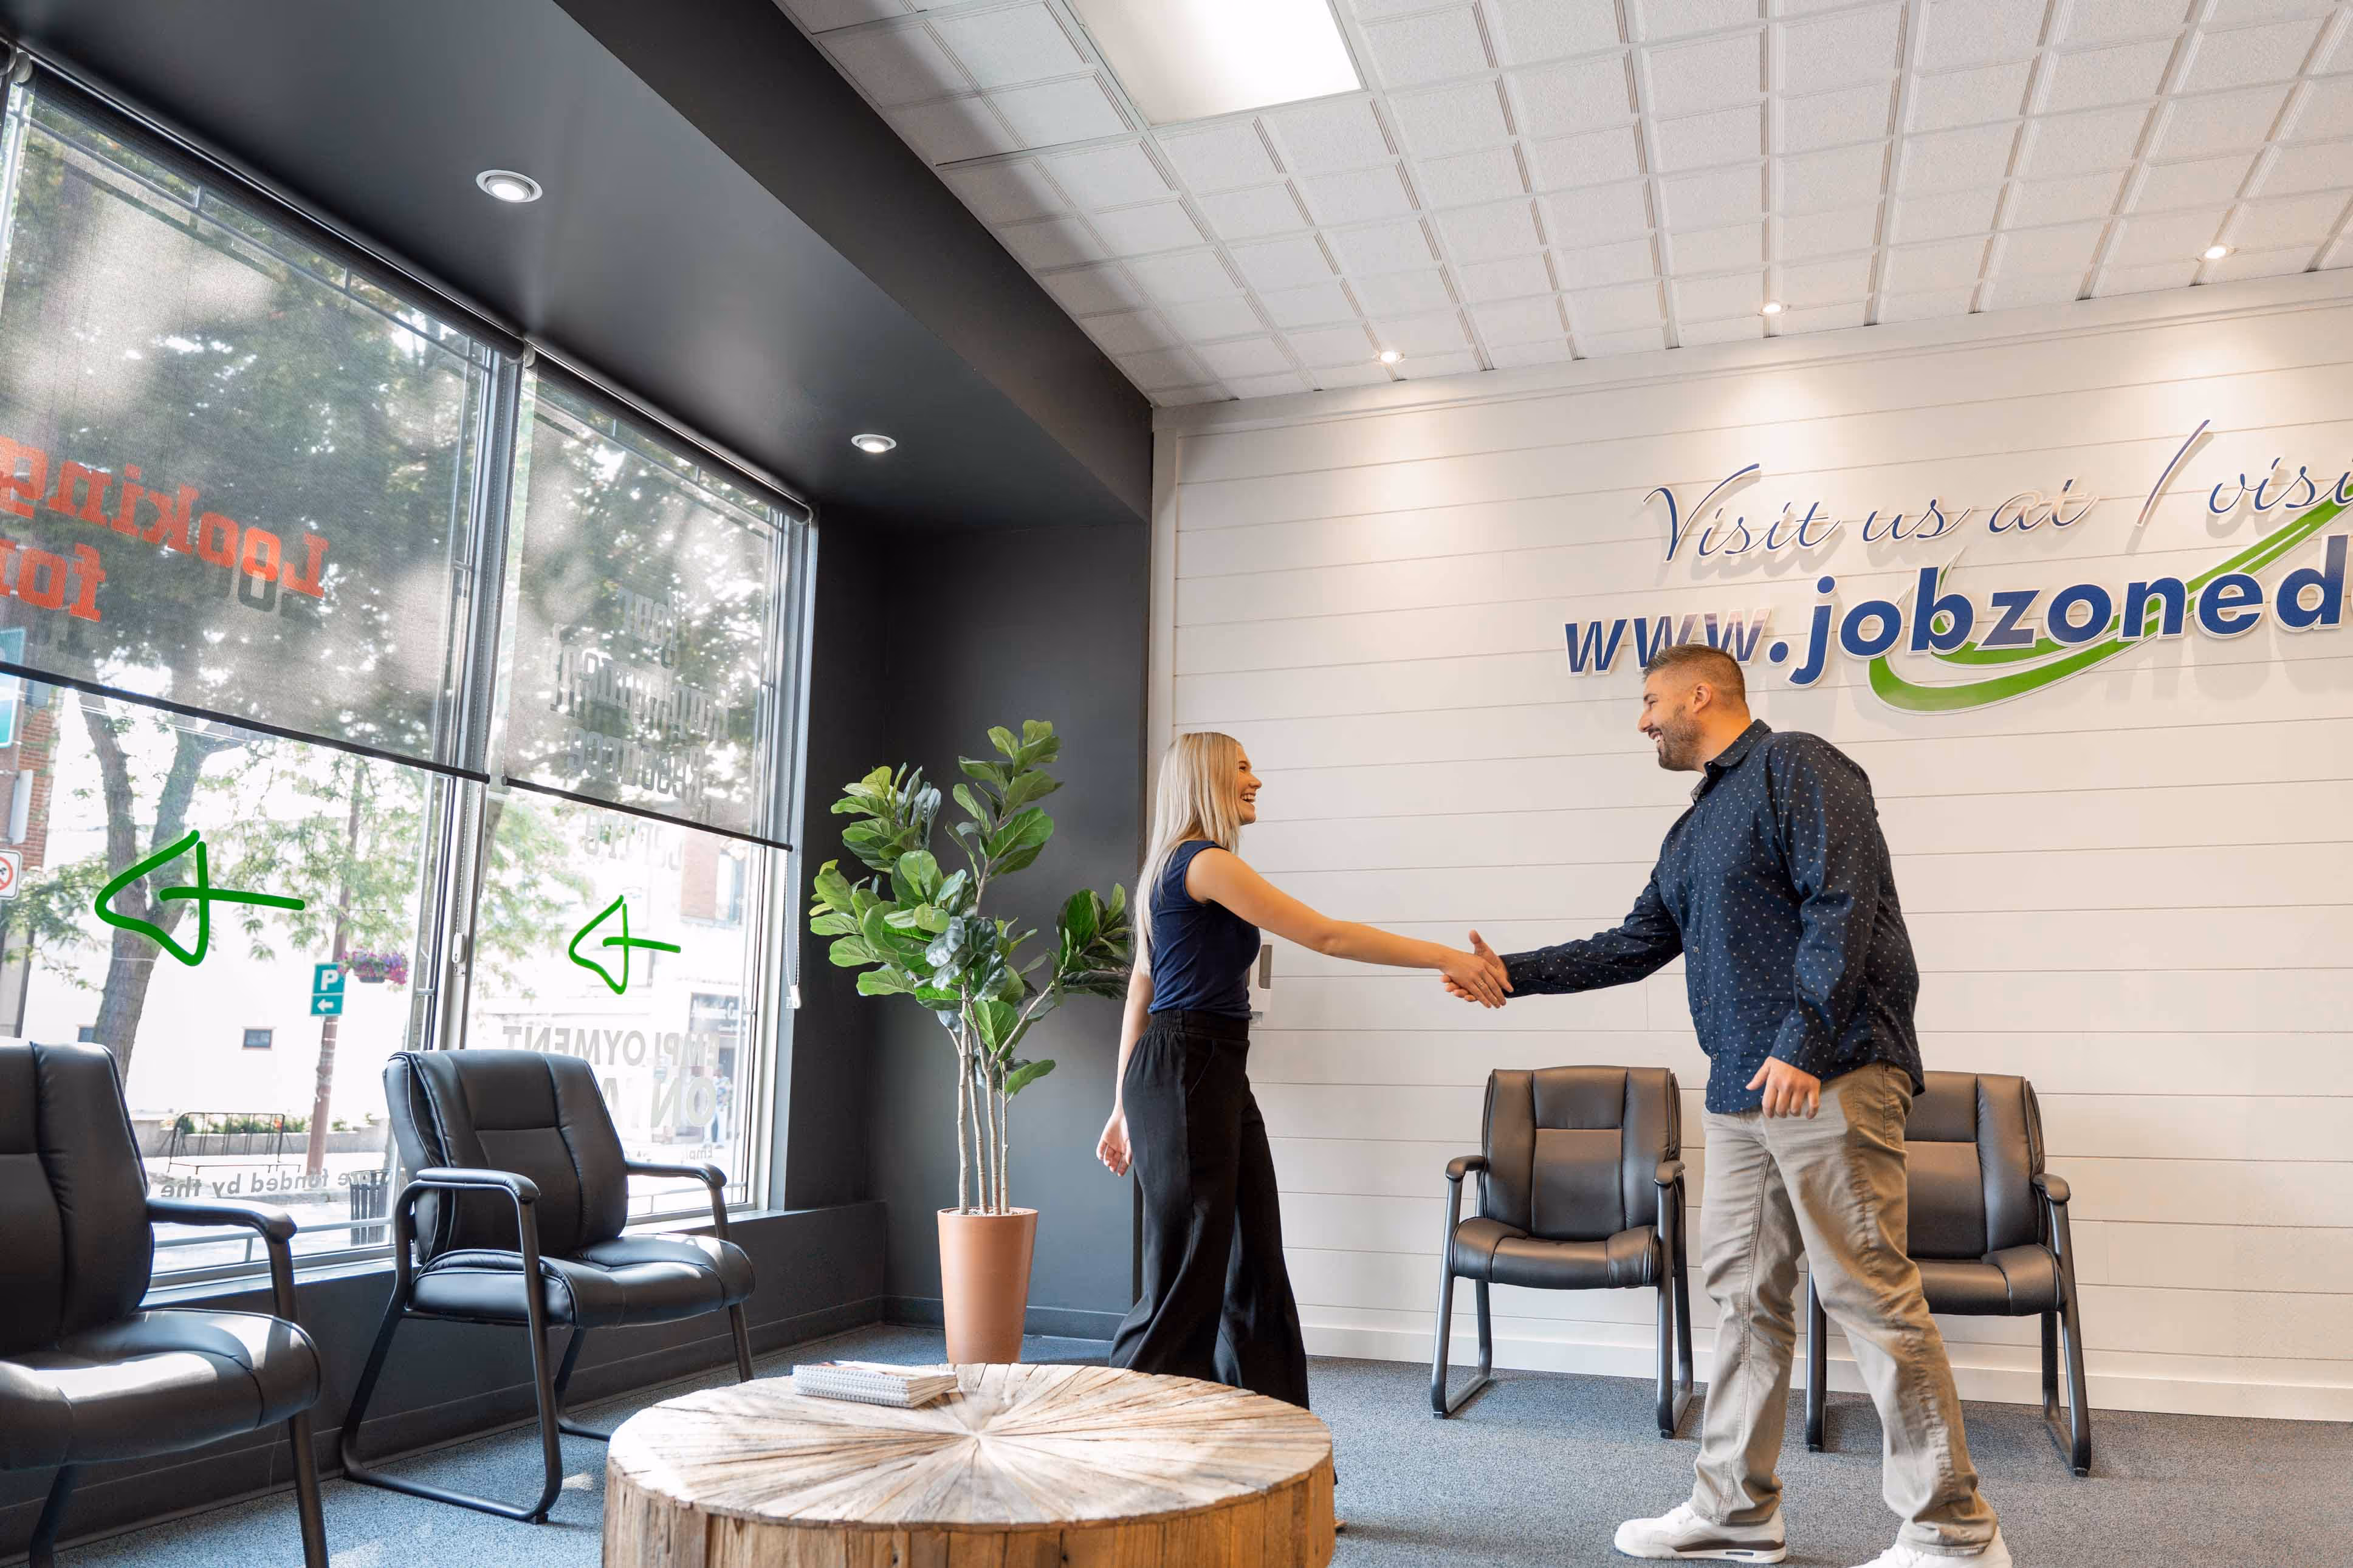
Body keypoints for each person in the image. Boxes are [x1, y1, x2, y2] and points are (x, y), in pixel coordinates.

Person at [1443, 643, 2010, 1568]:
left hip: (1830, 1071)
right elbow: (1633, 943)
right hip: (1739, 1088)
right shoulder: (1693, 827)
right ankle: (1735, 1510)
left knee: (1868, 1291)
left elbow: (1843, 902)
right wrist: (1511, 973)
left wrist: (1804, 1039)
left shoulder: (1797, 765)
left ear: (1700, 694)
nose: (1642, 721)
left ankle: (1953, 1532)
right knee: (1744, 1299)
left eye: (1649, 701)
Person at [1098, 730, 1511, 1409]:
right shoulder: (1202, 862)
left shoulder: (1170, 869)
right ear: (1206, 777)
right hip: (1186, 1071)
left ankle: (1271, 1441)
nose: (1255, 779)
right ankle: (1119, 1437)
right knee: (1186, 1278)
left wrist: (1122, 1105)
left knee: (1254, 1266)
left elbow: (1141, 992)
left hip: (1207, 1073)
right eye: (1241, 767)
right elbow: (1326, 934)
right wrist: (1445, 956)